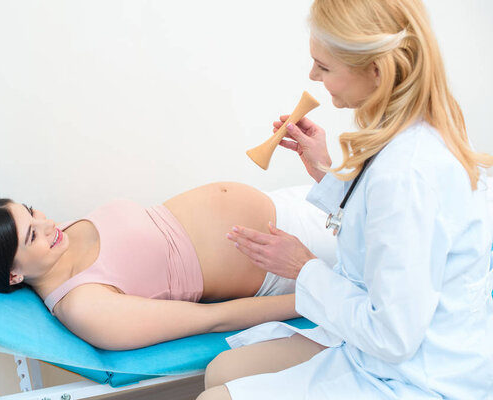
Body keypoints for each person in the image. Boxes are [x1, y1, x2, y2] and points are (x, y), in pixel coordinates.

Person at [198, 0, 493, 399]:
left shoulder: (407, 172)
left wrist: (302, 267)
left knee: (213, 395)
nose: (312, 76)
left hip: (415, 374)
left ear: (376, 70)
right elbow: (386, 223)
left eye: (324, 66)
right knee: (224, 368)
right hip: (400, 346)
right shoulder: (420, 130)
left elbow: (393, 338)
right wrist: (325, 172)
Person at [0, 181, 337, 350]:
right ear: (13, 275)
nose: (47, 224)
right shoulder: (85, 306)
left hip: (288, 203)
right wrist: (320, 292)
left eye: (31, 212)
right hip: (289, 255)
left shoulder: (53, 244)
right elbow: (217, 318)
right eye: (31, 235)